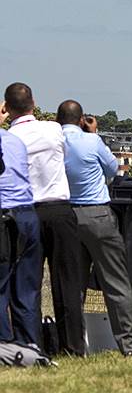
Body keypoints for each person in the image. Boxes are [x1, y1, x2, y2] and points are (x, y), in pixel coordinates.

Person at [4, 82, 84, 356]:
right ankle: (72, 344)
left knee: (29, 284)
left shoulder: (11, 138)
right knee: (68, 282)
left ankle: (33, 342)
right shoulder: (54, 129)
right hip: (60, 209)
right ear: (33, 103)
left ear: (7, 108)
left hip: (28, 210)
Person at [57, 101, 132, 356]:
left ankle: (73, 347)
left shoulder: (53, 142)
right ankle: (129, 345)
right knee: (116, 283)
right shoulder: (92, 142)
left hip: (67, 215)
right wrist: (93, 134)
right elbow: (113, 169)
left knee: (72, 286)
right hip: (98, 213)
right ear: (81, 119)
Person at [0, 110, 42, 350]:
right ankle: (29, 344)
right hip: (26, 211)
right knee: (26, 288)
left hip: (4, 214)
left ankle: (4, 344)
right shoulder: (15, 140)